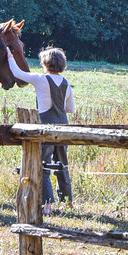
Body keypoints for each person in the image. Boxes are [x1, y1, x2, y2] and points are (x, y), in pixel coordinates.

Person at [7, 47, 75, 214]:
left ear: (45, 63)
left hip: (45, 127)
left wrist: (9, 54)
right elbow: (70, 109)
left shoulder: (40, 79)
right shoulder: (66, 83)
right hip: (63, 127)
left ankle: (47, 205)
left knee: (43, 165)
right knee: (62, 165)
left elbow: (17, 72)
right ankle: (67, 202)